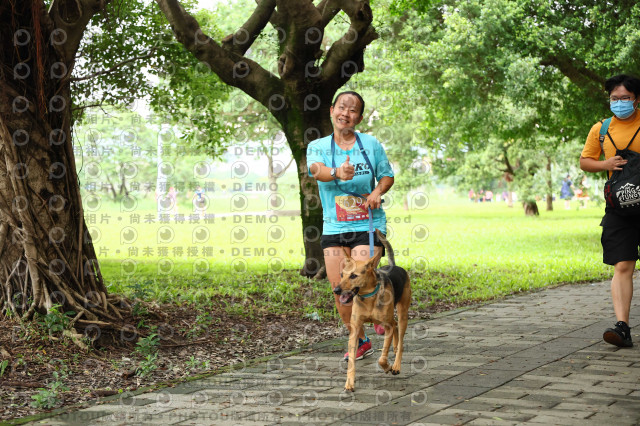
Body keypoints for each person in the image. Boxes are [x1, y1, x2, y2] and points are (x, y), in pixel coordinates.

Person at [307, 91, 395, 360]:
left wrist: (377, 192)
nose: (346, 113)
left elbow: (387, 175)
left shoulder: (370, 144)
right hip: (334, 228)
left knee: (363, 280)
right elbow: (316, 171)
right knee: (342, 290)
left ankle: (381, 312)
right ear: (332, 110)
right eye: (342, 107)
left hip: (367, 225)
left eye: (353, 110)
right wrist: (336, 172)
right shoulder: (319, 146)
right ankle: (360, 341)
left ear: (359, 117)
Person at [579, 74, 640, 348]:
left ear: (636, 99)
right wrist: (606, 165)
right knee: (623, 264)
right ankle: (623, 327)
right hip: (619, 207)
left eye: (624, 98)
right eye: (614, 99)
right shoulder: (601, 129)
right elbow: (585, 161)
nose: (619, 103)